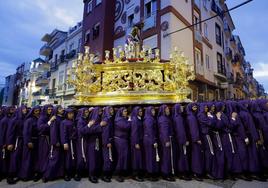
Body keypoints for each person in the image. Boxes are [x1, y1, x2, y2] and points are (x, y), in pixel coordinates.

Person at [81, 107, 103, 183]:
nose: (101, 112)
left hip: (96, 141)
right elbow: (90, 130)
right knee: (92, 159)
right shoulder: (94, 119)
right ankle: (91, 175)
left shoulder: (98, 118)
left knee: (96, 158)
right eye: (100, 110)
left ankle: (95, 174)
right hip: (92, 141)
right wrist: (100, 125)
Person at [6, 106, 27, 184]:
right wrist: (10, 143)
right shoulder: (14, 120)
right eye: (23, 109)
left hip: (22, 141)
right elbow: (10, 132)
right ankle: (10, 176)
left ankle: (18, 174)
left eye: (25, 109)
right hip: (16, 141)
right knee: (14, 158)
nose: (25, 110)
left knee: (20, 158)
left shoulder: (25, 119)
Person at [43, 105, 65, 182]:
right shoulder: (55, 118)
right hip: (57, 142)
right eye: (60, 109)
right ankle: (47, 175)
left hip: (62, 141)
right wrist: (55, 141)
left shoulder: (62, 118)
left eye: (62, 108)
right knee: (54, 159)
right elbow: (53, 131)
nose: (62, 109)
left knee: (61, 159)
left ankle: (58, 174)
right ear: (57, 110)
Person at [19, 106, 41, 181]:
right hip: (30, 141)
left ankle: (35, 174)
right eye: (36, 111)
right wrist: (28, 141)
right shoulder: (29, 120)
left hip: (38, 141)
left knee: (36, 159)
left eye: (39, 111)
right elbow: (26, 132)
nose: (38, 112)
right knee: (27, 159)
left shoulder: (40, 119)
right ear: (33, 112)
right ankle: (25, 175)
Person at [172, 104, 191, 180]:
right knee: (182, 156)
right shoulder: (179, 118)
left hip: (178, 139)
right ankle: (182, 172)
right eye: (181, 107)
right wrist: (184, 140)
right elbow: (181, 131)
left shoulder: (177, 117)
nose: (182, 108)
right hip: (181, 140)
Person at [197, 103, 216, 179]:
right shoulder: (201, 115)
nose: (206, 109)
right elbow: (211, 123)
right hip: (206, 135)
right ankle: (208, 171)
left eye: (207, 107)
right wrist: (211, 116)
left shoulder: (202, 114)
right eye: (205, 107)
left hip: (206, 134)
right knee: (210, 152)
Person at [157, 105, 175, 181]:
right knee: (166, 157)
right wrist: (166, 140)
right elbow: (164, 131)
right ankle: (165, 173)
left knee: (167, 156)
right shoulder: (163, 119)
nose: (168, 110)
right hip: (166, 140)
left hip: (167, 139)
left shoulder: (165, 118)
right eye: (167, 109)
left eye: (168, 109)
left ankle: (167, 172)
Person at [186, 103, 203, 181]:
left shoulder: (192, 115)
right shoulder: (191, 117)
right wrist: (197, 139)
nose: (195, 108)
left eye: (196, 107)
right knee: (196, 157)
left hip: (192, 139)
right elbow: (193, 129)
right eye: (194, 107)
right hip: (194, 140)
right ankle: (196, 173)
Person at [37, 104, 54, 180]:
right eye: (49, 109)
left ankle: (47, 173)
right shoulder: (42, 118)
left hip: (50, 139)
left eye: (51, 109)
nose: (50, 111)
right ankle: (42, 172)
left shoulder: (51, 116)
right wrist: (50, 121)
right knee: (43, 156)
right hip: (43, 139)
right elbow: (41, 128)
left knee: (49, 156)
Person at [114, 107, 131, 182]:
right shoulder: (118, 120)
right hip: (119, 140)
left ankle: (122, 172)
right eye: (124, 111)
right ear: (121, 112)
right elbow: (126, 127)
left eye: (126, 111)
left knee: (124, 157)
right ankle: (118, 174)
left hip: (124, 140)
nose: (126, 113)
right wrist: (130, 120)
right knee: (121, 157)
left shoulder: (123, 119)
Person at [60, 108, 77, 181]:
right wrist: (64, 143)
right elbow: (63, 133)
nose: (71, 115)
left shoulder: (73, 121)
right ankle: (67, 174)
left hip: (74, 142)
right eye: (69, 114)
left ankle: (72, 172)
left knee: (73, 158)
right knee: (68, 158)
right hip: (68, 143)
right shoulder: (64, 122)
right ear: (66, 114)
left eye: (72, 113)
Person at [75, 107, 92, 181]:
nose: (87, 113)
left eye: (88, 112)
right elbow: (82, 131)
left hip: (86, 140)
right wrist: (89, 125)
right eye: (85, 112)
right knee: (81, 156)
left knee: (86, 156)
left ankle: (84, 171)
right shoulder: (80, 120)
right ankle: (78, 173)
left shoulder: (85, 119)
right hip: (82, 140)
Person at [143, 106, 159, 181]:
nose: (154, 112)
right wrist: (154, 141)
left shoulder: (150, 118)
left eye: (154, 110)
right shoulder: (149, 119)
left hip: (149, 139)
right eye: (152, 110)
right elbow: (150, 132)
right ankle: (150, 173)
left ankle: (152, 172)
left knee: (151, 157)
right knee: (150, 157)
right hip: (149, 140)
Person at [0, 106, 15, 181]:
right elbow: (2, 133)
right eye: (11, 109)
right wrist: (3, 143)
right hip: (5, 143)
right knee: (3, 159)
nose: (12, 110)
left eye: (13, 109)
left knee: (9, 160)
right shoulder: (4, 120)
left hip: (11, 142)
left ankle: (8, 175)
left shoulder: (13, 119)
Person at [100, 106, 115, 182]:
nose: (112, 111)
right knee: (107, 159)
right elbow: (105, 133)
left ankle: (107, 174)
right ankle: (104, 175)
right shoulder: (106, 119)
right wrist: (108, 142)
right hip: (106, 142)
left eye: (112, 109)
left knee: (109, 158)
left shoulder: (109, 118)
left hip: (109, 141)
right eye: (111, 109)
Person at [131, 106, 144, 182]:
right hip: (136, 142)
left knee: (139, 158)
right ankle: (135, 175)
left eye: (141, 111)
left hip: (140, 141)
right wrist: (136, 143)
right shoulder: (135, 120)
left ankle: (138, 174)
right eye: (139, 112)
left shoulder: (139, 119)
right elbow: (134, 133)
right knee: (136, 159)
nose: (141, 113)